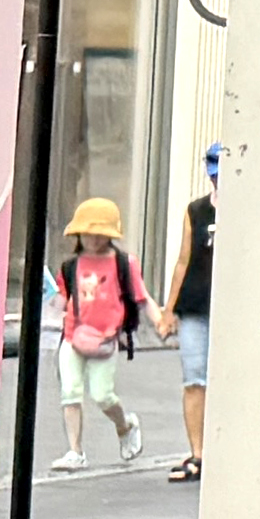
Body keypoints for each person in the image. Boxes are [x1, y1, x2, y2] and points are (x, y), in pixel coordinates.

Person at [49, 197, 150, 473]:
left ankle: (125, 424)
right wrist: (47, 310)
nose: (93, 239)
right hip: (73, 336)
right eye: (88, 234)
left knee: (103, 396)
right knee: (70, 392)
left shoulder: (123, 263)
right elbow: (61, 297)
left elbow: (141, 297)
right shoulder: (70, 266)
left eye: (100, 234)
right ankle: (75, 451)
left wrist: (161, 320)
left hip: (105, 340)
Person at [172, 147, 221, 482]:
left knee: (226, 379)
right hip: (196, 304)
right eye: (213, 167)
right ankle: (198, 453)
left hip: (229, 306)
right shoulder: (197, 209)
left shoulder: (249, 208)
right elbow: (183, 259)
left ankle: (223, 450)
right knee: (194, 379)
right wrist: (167, 308)